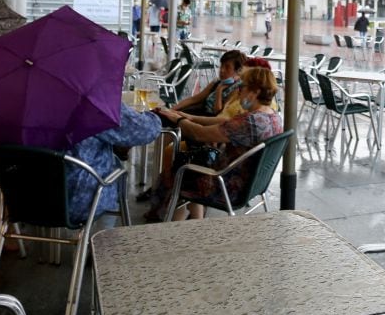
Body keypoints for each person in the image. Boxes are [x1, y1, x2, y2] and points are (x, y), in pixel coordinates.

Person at [152, 66, 283, 220]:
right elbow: (225, 123)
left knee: (175, 172)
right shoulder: (273, 118)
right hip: (252, 184)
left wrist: (178, 120)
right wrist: (188, 117)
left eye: (242, 87)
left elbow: (199, 134)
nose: (237, 91)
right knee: (192, 167)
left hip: (225, 186)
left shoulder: (250, 122)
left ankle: (164, 223)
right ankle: (194, 222)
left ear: (255, 91)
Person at [66, 102, 161, 225]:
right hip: (78, 203)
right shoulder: (95, 105)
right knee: (115, 169)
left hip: (36, 201)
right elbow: (145, 130)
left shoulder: (37, 99)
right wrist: (156, 117)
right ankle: (104, 239)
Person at [171, 50, 246, 116]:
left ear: (238, 71)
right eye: (221, 65)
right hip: (198, 114)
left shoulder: (237, 89)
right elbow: (194, 99)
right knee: (167, 115)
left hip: (207, 120)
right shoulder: (217, 81)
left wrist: (219, 90)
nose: (222, 70)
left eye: (227, 67)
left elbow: (218, 113)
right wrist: (172, 109)